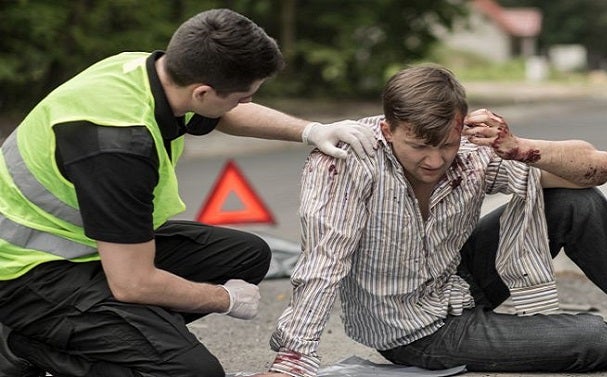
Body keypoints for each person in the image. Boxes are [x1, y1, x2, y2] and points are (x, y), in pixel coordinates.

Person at [257, 65, 607, 376]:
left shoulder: (472, 147)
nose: (435, 160)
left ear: (460, 126)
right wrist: (293, 359)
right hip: (414, 330)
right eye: (419, 146)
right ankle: (599, 338)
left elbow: (598, 169)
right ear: (388, 130)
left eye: (445, 144)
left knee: (576, 203)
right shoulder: (349, 159)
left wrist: (517, 149)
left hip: (458, 281)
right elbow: (324, 261)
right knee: (591, 342)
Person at [0, 8, 374, 377]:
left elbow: (223, 112)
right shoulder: (116, 145)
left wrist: (311, 131)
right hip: (26, 275)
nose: (245, 104)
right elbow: (132, 283)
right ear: (203, 91)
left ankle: (117, 333)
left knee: (247, 255)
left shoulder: (149, 72)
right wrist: (223, 300)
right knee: (192, 372)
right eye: (243, 96)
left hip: (86, 248)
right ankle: (23, 344)